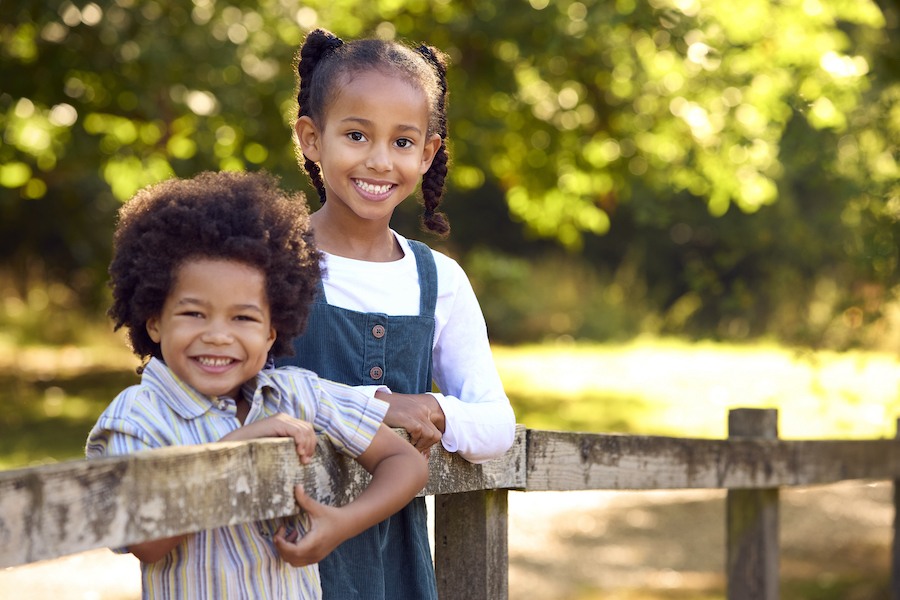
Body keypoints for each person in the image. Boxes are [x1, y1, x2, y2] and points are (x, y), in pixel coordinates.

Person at [85, 170, 429, 600]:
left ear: (272, 331)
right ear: (154, 321)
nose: (217, 335)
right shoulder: (136, 416)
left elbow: (407, 462)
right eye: (193, 313)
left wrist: (342, 524)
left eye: (243, 318)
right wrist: (235, 448)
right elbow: (147, 544)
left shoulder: (294, 393)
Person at [277, 28, 517, 599]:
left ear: (429, 151)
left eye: (403, 142)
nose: (380, 161)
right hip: (282, 557)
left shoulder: (440, 281)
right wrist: (379, 406)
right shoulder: (271, 263)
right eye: (357, 135)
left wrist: (430, 406)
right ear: (312, 138)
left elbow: (495, 424)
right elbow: (242, 393)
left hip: (395, 569)